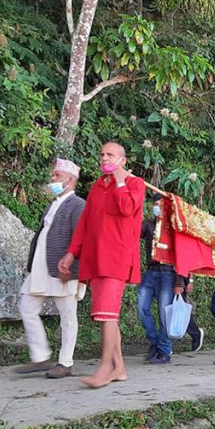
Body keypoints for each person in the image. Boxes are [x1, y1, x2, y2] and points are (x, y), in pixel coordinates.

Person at [59, 142, 145, 388]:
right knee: (106, 315)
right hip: (95, 258)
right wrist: (71, 253)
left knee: (108, 315)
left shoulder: (134, 184)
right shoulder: (97, 187)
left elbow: (127, 208)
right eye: (102, 154)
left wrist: (120, 181)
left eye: (110, 155)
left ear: (123, 160)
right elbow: (85, 224)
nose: (104, 158)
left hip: (116, 258)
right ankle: (119, 369)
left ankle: (105, 369)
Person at [15, 158, 86, 379]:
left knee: (67, 314)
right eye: (53, 175)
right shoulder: (53, 203)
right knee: (27, 306)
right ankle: (40, 356)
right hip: (40, 265)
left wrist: (74, 269)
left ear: (71, 180)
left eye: (57, 175)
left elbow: (82, 238)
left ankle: (65, 363)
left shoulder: (78, 204)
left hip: (63, 267)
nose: (52, 179)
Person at [137, 194, 187, 365]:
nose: (156, 207)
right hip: (150, 271)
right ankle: (154, 341)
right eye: (154, 204)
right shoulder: (149, 225)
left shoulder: (173, 227)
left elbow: (181, 255)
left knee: (165, 313)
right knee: (141, 307)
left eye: (159, 204)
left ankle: (164, 350)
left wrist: (180, 281)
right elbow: (135, 231)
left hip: (168, 273)